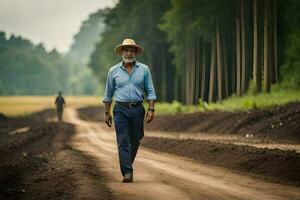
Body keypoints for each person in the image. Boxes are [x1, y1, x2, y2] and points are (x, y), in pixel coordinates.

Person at [103, 38, 157, 183]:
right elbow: (108, 94)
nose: (129, 53)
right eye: (126, 50)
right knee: (123, 140)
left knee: (136, 139)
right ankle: (127, 171)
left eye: (131, 50)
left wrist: (151, 109)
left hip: (138, 109)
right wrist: (107, 113)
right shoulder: (113, 71)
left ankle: (127, 164)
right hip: (120, 109)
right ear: (121, 52)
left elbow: (150, 91)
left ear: (135, 53)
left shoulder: (144, 70)